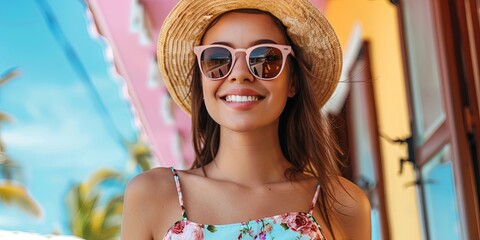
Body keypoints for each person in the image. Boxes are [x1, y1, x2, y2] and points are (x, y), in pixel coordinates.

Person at [121, 0, 371, 239]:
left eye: (265, 58)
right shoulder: (152, 195)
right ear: (202, 80)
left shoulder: (344, 204)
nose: (239, 74)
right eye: (218, 59)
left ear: (292, 81)